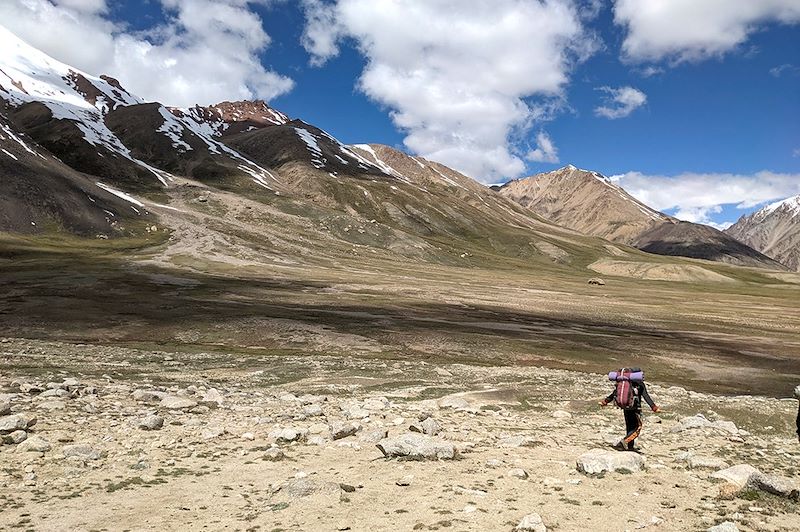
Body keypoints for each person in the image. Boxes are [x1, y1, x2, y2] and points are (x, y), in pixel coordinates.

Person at [600, 373, 660, 451]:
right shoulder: (640, 384)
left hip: (626, 408)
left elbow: (614, 393)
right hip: (635, 409)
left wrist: (605, 401)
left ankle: (630, 447)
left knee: (629, 426)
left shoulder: (624, 383)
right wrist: (654, 407)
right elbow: (646, 396)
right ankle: (625, 441)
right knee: (637, 427)